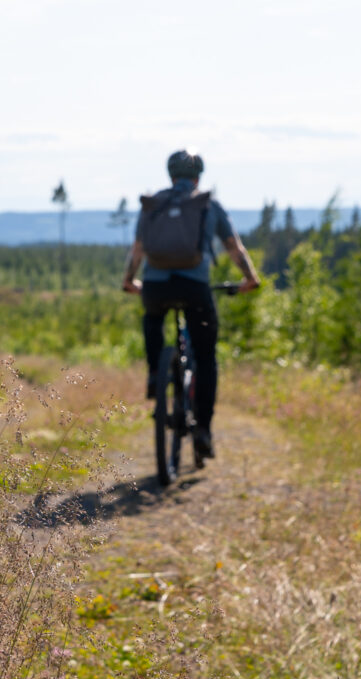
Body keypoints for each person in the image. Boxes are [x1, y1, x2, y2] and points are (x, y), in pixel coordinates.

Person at [122, 150, 260, 459]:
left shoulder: (153, 204)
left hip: (156, 286)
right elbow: (234, 248)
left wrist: (130, 281)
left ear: (170, 175)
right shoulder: (208, 204)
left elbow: (138, 249)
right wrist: (250, 279)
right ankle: (204, 430)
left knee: (153, 317)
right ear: (199, 176)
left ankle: (156, 375)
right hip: (195, 287)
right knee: (206, 356)